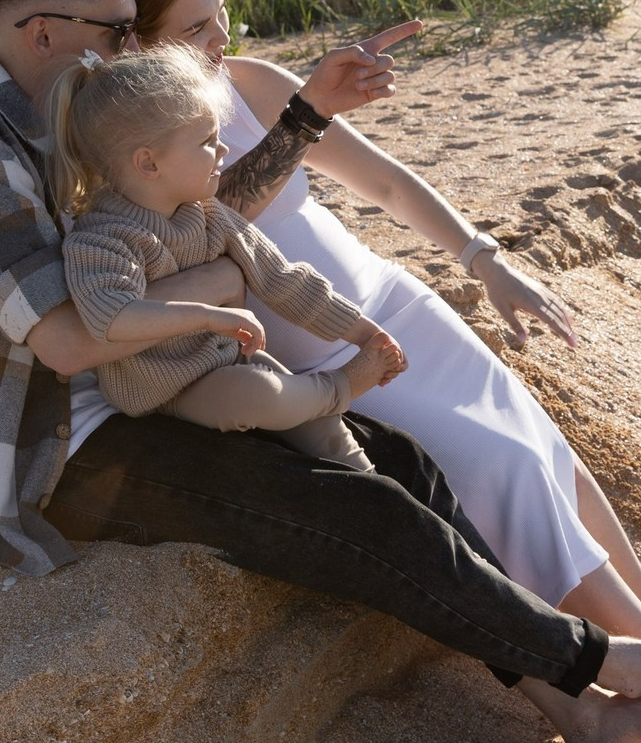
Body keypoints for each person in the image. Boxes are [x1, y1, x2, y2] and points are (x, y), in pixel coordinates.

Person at [0, 0, 641, 743]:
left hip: (126, 392)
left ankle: (585, 716)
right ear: (41, 31)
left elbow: (182, 230)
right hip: (36, 453)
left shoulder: (52, 110)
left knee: (403, 466)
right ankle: (612, 663)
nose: (122, 45)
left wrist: (247, 253)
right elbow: (69, 342)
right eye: (110, 28)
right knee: (356, 512)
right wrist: (228, 280)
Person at [126, 0, 641, 736]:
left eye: (222, 16)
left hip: (400, 302)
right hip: (342, 350)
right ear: (136, 39)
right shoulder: (135, 147)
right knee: (504, 470)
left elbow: (386, 182)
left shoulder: (252, 84)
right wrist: (308, 114)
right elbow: (213, 224)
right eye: (195, 30)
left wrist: (486, 260)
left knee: (546, 449)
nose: (219, 41)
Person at [49, 42, 407, 472]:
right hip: (167, 389)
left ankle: (363, 476)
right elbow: (112, 317)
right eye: (207, 141)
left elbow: (282, 279)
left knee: (312, 419)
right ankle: (340, 387)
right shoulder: (101, 239)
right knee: (262, 397)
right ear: (148, 163)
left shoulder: (208, 213)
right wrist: (209, 316)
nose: (223, 152)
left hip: (223, 356)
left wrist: (365, 334)